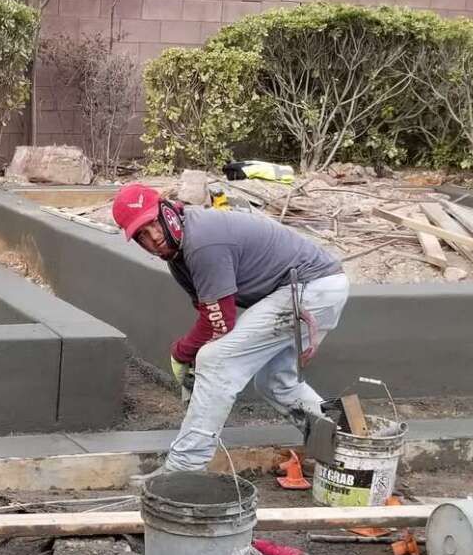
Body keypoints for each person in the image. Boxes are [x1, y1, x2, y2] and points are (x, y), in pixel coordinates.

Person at [112, 183, 349, 474]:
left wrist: (181, 353)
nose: (154, 237)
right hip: (312, 286)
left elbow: (221, 322)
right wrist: (190, 355)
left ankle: (184, 469)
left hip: (309, 287)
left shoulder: (202, 242)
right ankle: (344, 444)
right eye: (141, 235)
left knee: (215, 360)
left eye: (154, 224)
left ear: (167, 210)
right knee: (276, 381)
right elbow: (209, 312)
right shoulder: (180, 254)